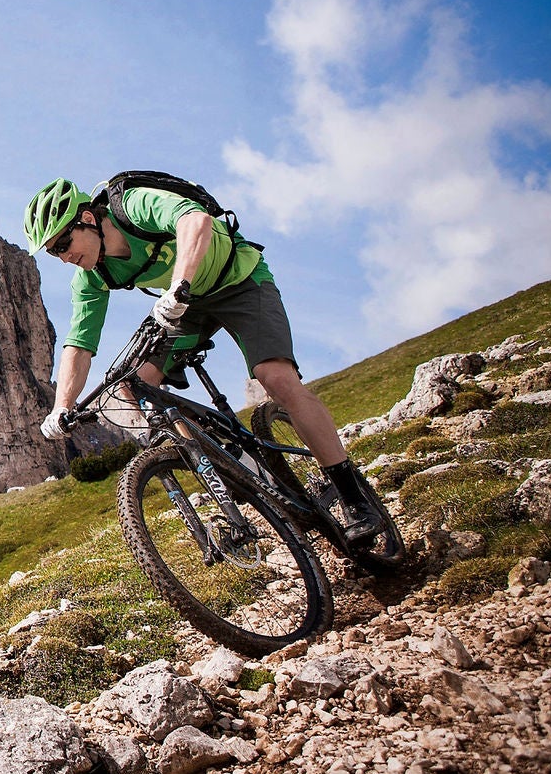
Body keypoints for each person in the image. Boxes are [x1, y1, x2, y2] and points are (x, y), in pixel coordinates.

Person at [22, 177, 384, 541]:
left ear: (88, 217)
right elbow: (79, 343)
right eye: (54, 252)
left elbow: (195, 221)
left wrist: (178, 285)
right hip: (186, 308)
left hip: (237, 281)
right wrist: (61, 407)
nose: (65, 256)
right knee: (131, 386)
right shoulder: (91, 275)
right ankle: (229, 463)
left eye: (64, 242)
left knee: (275, 379)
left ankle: (354, 498)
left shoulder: (131, 206)